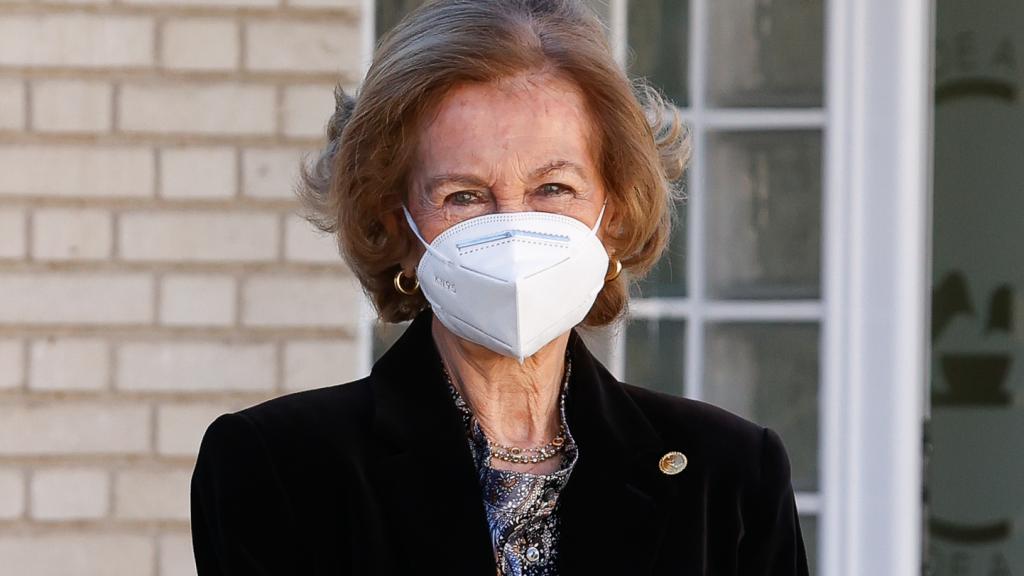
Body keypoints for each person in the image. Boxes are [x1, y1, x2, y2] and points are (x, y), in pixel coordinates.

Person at [189, 0, 810, 574]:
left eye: (554, 189)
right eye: (463, 196)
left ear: (614, 215)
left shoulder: (726, 475)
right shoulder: (279, 466)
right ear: (394, 225)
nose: (514, 227)